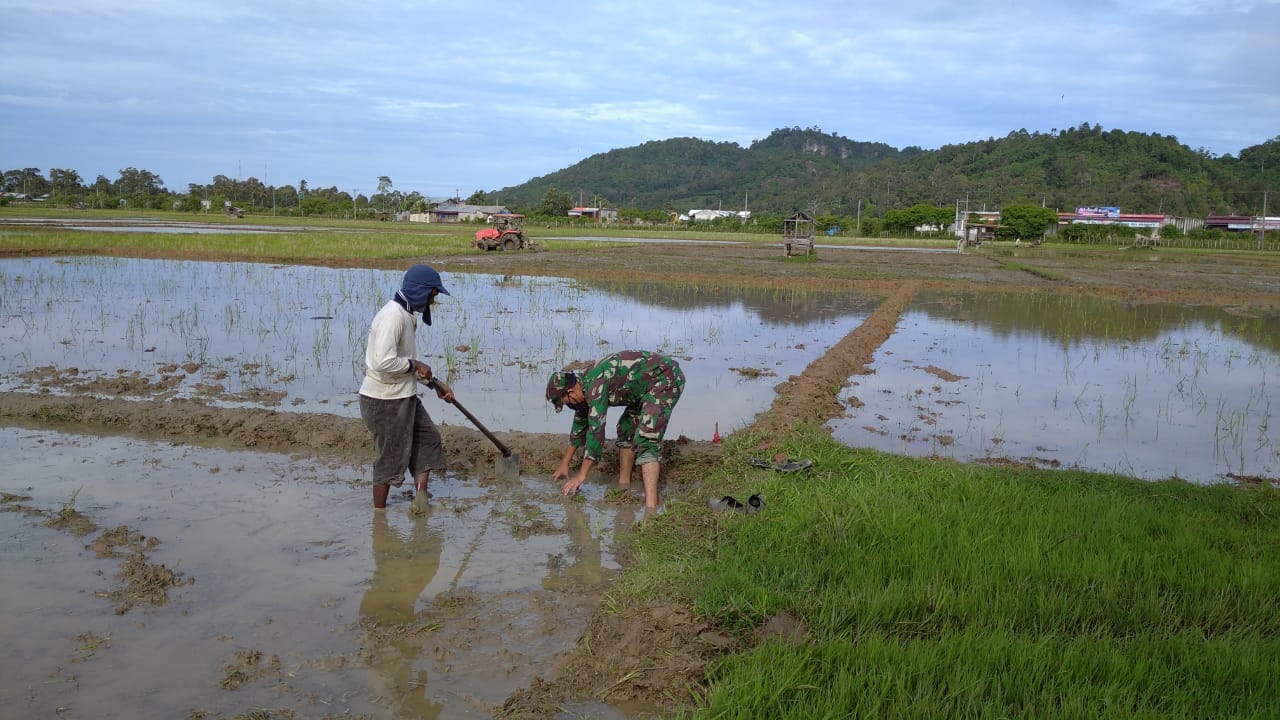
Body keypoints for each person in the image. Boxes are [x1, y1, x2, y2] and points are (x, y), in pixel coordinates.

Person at [358, 264, 455, 511]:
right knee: (390, 458)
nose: (433, 300)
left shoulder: (407, 314)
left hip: (404, 394)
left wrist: (434, 385)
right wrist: (415, 363)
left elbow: (407, 364)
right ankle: (379, 517)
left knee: (427, 439)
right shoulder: (393, 317)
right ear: (422, 291)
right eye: (433, 294)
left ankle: (421, 499)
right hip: (384, 400)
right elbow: (382, 362)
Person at [546, 350, 684, 509]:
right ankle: (624, 486)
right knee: (626, 427)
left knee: (647, 438)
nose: (568, 405)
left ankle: (651, 509)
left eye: (566, 402)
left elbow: (596, 434)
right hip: (641, 388)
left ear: (571, 391)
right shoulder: (583, 383)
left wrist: (581, 476)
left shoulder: (595, 386)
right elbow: (580, 423)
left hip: (664, 379)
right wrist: (565, 463)